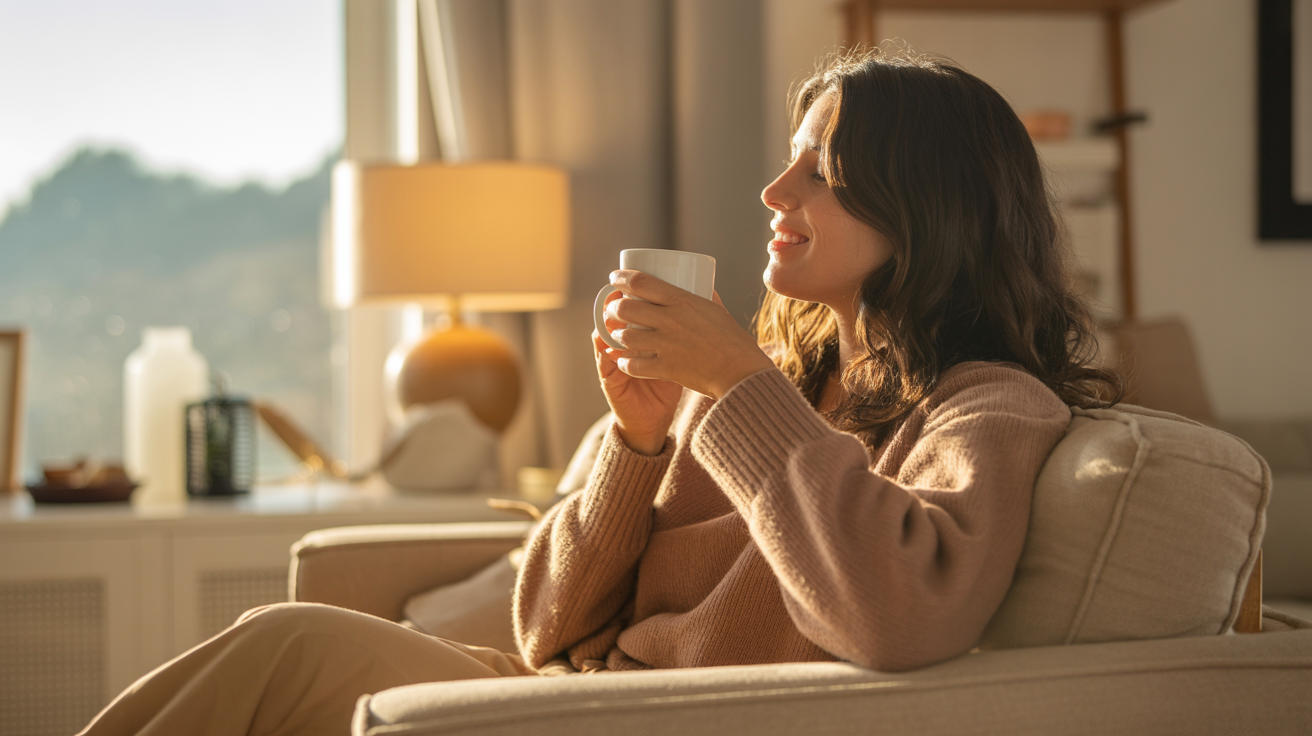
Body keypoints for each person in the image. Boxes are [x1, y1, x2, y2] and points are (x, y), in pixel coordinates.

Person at [79, 47, 1119, 736]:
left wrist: (738, 384)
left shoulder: (986, 408)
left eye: (821, 167)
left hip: (654, 718)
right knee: (282, 639)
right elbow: (544, 628)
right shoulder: (763, 387)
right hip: (567, 696)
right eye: (787, 160)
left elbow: (896, 617)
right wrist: (634, 443)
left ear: (925, 201)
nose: (773, 192)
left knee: (287, 644)